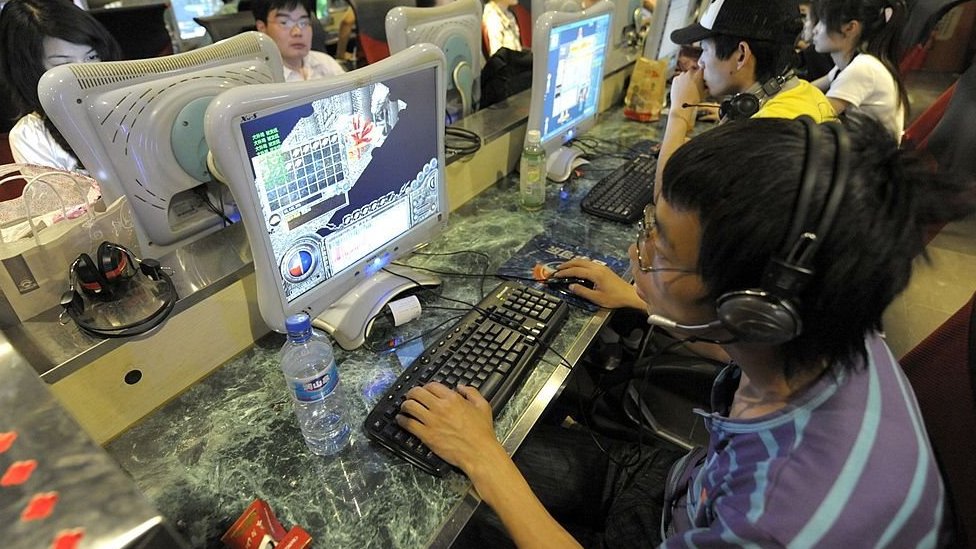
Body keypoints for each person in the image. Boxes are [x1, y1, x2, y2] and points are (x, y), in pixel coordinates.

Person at [396, 111, 973, 546]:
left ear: (756, 309)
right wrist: (639, 300)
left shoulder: (781, 519)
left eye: (661, 248)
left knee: (450, 516)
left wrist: (485, 459)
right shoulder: (833, 324)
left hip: (683, 520)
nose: (637, 252)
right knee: (469, 457)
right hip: (682, 485)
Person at [655, 0, 835, 198]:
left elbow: (665, 204)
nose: (700, 63)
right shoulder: (807, 94)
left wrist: (679, 112)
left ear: (741, 55)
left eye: (705, 50)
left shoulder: (762, 133)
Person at [0, 0, 121, 171]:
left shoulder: (131, 103)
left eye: (92, 57)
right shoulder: (32, 136)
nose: (86, 73)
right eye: (64, 65)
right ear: (31, 71)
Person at [810, 0, 909, 139]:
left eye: (822, 22)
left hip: (872, 157)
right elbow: (808, 89)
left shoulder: (863, 68)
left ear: (850, 28)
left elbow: (815, 115)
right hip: (863, 150)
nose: (815, 30)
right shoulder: (851, 65)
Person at [252, 0, 344, 82]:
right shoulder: (258, 79)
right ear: (262, 28)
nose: (297, 32)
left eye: (303, 23)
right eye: (285, 23)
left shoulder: (325, 62)